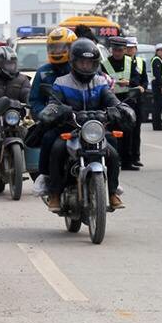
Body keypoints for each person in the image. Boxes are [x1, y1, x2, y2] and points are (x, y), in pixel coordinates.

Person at [41, 38, 135, 211]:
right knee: (57, 148)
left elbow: (111, 99)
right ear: (73, 62)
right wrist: (57, 111)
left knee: (113, 153)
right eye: (82, 62)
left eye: (89, 63)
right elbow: (53, 103)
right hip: (71, 128)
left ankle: (113, 192)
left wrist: (120, 109)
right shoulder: (61, 82)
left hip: (95, 129)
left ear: (95, 63)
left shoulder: (100, 82)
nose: (86, 66)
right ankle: (54, 193)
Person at [28, 27, 77, 189]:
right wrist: (43, 115)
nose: (57, 51)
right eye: (54, 47)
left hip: (80, 119)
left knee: (107, 141)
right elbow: (34, 100)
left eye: (62, 47)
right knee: (49, 140)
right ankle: (45, 178)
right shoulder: (43, 72)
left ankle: (111, 185)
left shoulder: (80, 69)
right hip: (54, 122)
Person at [101, 36, 141, 171]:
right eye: (115, 50)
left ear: (124, 50)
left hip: (127, 99)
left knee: (128, 132)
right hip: (111, 100)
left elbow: (137, 78)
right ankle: (113, 160)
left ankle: (127, 162)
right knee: (112, 132)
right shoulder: (104, 64)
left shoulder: (130, 62)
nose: (117, 53)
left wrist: (129, 83)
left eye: (120, 50)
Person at [124, 37, 147, 167]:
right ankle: (125, 157)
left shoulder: (140, 62)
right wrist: (134, 84)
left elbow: (144, 79)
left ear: (136, 49)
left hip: (138, 99)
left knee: (137, 129)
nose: (130, 50)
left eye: (132, 48)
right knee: (126, 130)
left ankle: (135, 157)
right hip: (126, 99)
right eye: (128, 48)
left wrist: (143, 86)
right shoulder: (122, 62)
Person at [150, 43, 162, 131]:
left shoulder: (159, 60)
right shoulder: (156, 60)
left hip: (159, 85)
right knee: (157, 107)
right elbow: (157, 75)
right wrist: (161, 86)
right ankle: (157, 126)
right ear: (157, 51)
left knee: (159, 107)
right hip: (157, 86)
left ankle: (158, 125)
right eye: (161, 50)